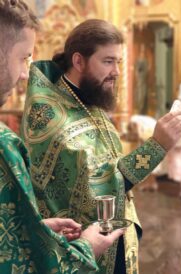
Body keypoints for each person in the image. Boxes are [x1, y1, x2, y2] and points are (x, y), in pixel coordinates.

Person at [20, 19, 181, 274]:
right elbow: (96, 187)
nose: (117, 71)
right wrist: (157, 146)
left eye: (118, 62)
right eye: (108, 61)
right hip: (79, 250)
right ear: (78, 61)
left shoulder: (87, 99)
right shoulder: (49, 115)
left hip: (112, 235)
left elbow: (109, 164)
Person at [0, 1, 124, 273]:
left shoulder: (94, 106)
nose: (25, 73)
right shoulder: (11, 141)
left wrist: (35, 228)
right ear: (78, 61)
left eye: (118, 62)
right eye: (23, 58)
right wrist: (85, 248)